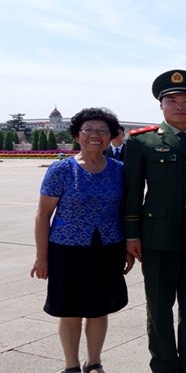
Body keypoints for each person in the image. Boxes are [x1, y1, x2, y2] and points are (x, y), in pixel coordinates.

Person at [123, 69, 186, 373]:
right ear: (161, 105)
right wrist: (132, 235)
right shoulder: (142, 142)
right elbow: (132, 192)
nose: (180, 106)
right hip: (157, 237)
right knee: (158, 306)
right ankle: (164, 364)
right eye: (173, 101)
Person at [31, 107, 134, 373]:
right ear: (77, 135)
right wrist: (42, 257)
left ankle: (94, 361)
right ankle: (71, 365)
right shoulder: (61, 170)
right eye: (88, 130)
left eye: (102, 131)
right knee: (70, 309)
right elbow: (43, 214)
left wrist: (128, 248)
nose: (95, 135)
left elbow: (125, 211)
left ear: (111, 136)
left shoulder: (120, 170)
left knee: (99, 308)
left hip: (107, 249)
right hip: (67, 250)